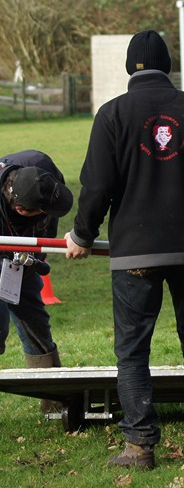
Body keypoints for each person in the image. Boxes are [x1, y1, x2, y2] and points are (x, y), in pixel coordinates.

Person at [65, 30, 184, 470]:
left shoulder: (111, 115)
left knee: (132, 350)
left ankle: (140, 445)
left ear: (131, 67)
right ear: (167, 66)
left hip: (134, 254)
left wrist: (81, 236)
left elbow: (97, 187)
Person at [0, 151, 74, 417]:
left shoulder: (43, 170)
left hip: (20, 251)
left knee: (33, 316)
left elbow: (50, 217)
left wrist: (35, 257)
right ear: (21, 209)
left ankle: (53, 397)